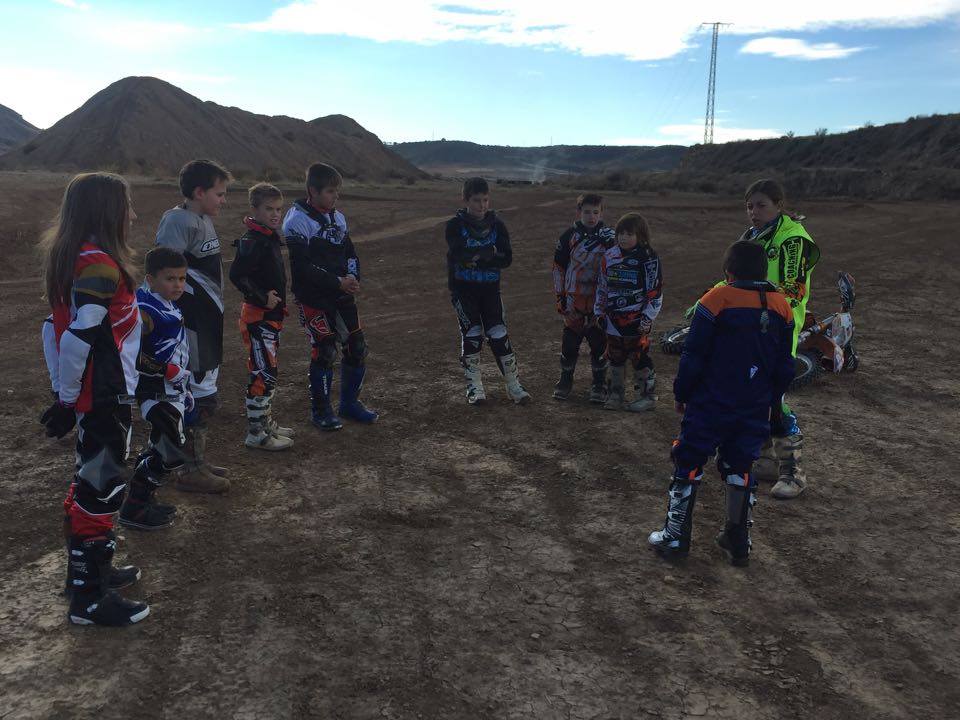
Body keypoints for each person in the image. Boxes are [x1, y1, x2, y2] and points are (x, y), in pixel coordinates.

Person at [39, 172, 150, 625]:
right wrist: (68, 400)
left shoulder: (76, 257)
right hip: (102, 395)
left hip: (95, 394)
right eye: (127, 206)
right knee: (101, 488)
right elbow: (76, 337)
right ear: (108, 211)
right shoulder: (99, 264)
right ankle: (89, 598)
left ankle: (85, 574)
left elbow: (52, 330)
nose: (133, 215)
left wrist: (64, 393)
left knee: (90, 480)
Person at [648, 240, 795, 566]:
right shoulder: (781, 306)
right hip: (754, 404)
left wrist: (682, 393)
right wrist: (772, 400)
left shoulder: (715, 299)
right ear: (763, 272)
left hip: (711, 401)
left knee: (688, 458)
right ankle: (738, 541)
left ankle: (675, 535)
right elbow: (785, 364)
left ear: (728, 271)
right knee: (740, 464)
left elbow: (694, 354)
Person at [740, 179, 820, 499]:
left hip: (779, 327)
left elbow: (793, 290)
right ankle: (764, 459)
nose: (754, 212)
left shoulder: (792, 239)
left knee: (774, 397)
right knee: (752, 393)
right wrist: (711, 299)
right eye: (749, 206)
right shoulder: (751, 237)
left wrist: (752, 300)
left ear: (779, 205)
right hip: (749, 326)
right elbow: (734, 278)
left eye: (761, 205)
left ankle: (793, 470)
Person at [155, 159, 231, 492]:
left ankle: (193, 459)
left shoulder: (201, 219)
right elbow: (164, 272)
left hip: (207, 318)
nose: (223, 200)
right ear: (199, 192)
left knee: (204, 387)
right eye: (219, 194)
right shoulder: (177, 221)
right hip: (191, 323)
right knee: (197, 394)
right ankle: (188, 468)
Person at [283, 162, 378, 430]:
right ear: (312, 191)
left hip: (341, 294)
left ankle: (349, 404)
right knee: (325, 350)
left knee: (357, 347)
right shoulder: (297, 220)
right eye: (330, 191)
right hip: (313, 297)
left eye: (337, 191)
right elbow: (301, 267)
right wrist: (338, 282)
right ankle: (321, 411)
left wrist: (353, 278)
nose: (336, 196)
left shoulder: (339, 218)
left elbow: (350, 252)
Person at [118, 248, 195, 532]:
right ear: (150, 279)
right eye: (170, 279)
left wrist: (181, 383)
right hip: (154, 388)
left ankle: (142, 501)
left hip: (171, 387)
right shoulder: (144, 311)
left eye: (182, 278)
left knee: (164, 443)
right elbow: (129, 353)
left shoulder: (164, 303)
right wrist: (166, 371)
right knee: (170, 447)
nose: (178, 285)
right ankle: (135, 506)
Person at [446, 177, 530, 405]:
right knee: (472, 335)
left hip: (491, 290)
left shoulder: (497, 225)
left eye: (485, 200)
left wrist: (477, 258)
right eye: (476, 200)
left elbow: (506, 258)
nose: (481, 205)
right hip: (464, 291)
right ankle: (474, 387)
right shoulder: (455, 225)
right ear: (465, 200)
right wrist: (488, 254)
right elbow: (458, 254)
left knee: (499, 334)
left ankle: (514, 385)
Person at [229, 182, 294, 450]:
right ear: (254, 209)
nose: (276, 214)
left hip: (270, 317)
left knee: (268, 370)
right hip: (258, 318)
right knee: (262, 372)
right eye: (269, 209)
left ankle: (264, 423)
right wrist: (261, 297)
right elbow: (237, 275)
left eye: (279, 209)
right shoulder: (252, 240)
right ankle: (256, 432)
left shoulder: (267, 236)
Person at [594, 213, 662, 412]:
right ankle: (615, 394)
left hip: (636, 319)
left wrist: (648, 317)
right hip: (613, 318)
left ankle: (647, 396)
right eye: (620, 233)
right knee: (615, 355)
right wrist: (599, 311)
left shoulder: (648, 257)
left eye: (629, 234)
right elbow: (602, 286)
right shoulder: (609, 255)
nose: (623, 238)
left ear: (640, 235)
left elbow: (655, 292)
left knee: (639, 356)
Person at [552, 193, 616, 402]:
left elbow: (618, 268)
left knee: (599, 344)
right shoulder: (568, 236)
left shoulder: (611, 238)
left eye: (596, 212)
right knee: (570, 343)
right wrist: (560, 296)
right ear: (579, 212)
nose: (591, 217)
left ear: (602, 213)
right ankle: (565, 380)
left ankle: (599, 384)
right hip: (574, 299)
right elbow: (559, 268)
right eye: (587, 212)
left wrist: (610, 302)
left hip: (599, 301)